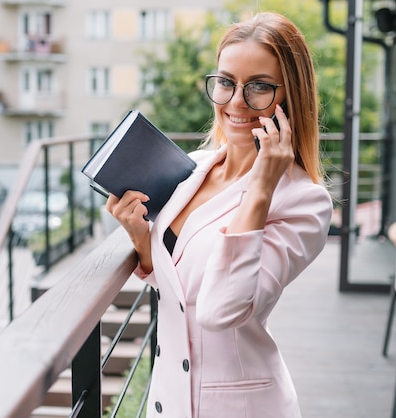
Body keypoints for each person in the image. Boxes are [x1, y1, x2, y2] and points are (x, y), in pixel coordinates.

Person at [106, 11, 332, 418]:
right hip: (170, 396)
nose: (236, 101)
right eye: (226, 82)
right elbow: (183, 287)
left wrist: (261, 188)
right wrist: (143, 242)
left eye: (259, 86)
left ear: (291, 96)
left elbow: (220, 310)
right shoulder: (192, 168)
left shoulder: (303, 201)